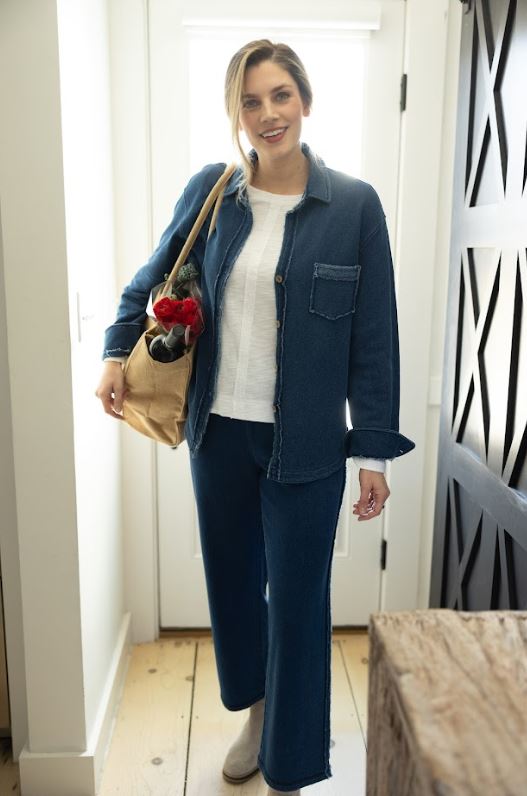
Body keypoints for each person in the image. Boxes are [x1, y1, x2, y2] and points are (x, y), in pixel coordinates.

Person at [95, 39, 415, 795]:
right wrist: (115, 350)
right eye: (249, 101)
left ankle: (292, 760)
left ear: (304, 100)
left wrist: (371, 454)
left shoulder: (355, 206)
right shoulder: (214, 192)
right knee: (234, 587)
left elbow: (373, 338)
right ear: (235, 115)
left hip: (305, 444)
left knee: (299, 603)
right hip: (217, 434)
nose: (266, 114)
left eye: (279, 95)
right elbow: (152, 274)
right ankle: (257, 710)